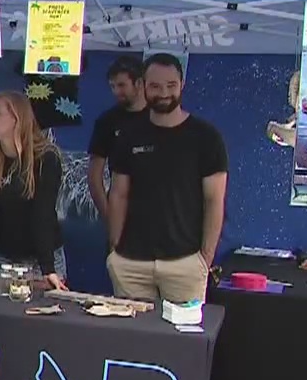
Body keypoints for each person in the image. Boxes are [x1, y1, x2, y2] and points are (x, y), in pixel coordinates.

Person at [107, 53, 228, 303]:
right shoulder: (128, 136)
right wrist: (115, 248)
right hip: (131, 264)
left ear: (182, 84)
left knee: (183, 340)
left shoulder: (206, 137)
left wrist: (205, 258)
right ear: (142, 86)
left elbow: (215, 200)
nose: (164, 92)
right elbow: (119, 193)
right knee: (133, 340)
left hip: (185, 263)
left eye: (171, 85)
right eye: (155, 86)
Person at [0, 91, 66, 289]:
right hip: (0, 257)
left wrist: (48, 268)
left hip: (39, 261)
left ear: (17, 118)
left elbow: (43, 213)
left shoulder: (46, 159)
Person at [88, 56, 147, 222]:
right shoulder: (107, 121)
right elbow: (94, 175)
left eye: (121, 85)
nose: (116, 92)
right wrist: (108, 215)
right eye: (112, 86)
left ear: (139, 83)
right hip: (120, 210)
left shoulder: (160, 118)